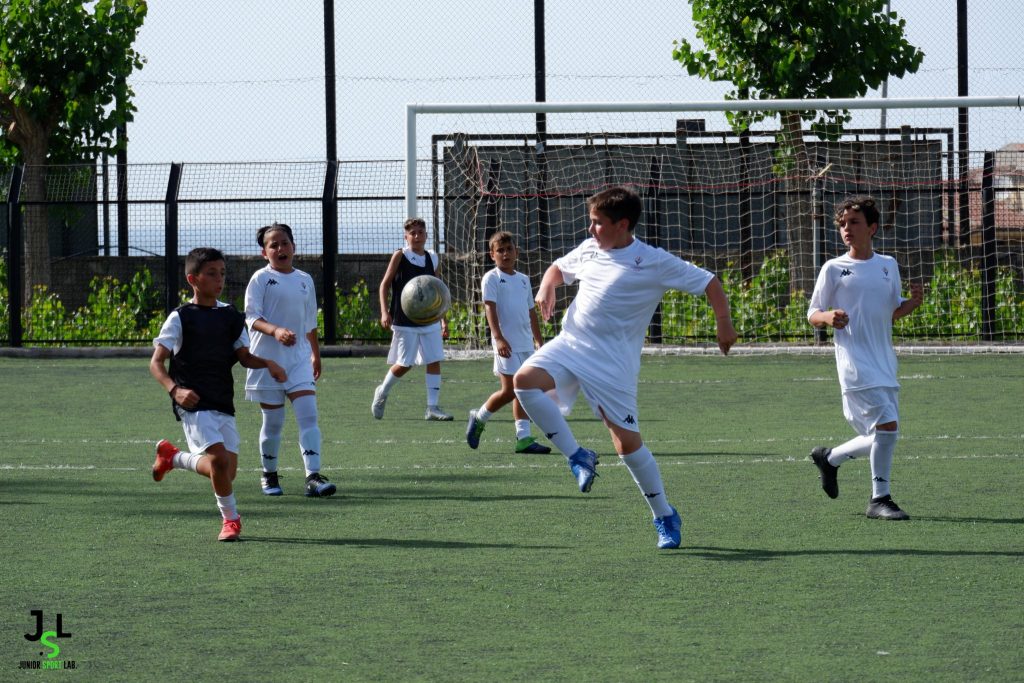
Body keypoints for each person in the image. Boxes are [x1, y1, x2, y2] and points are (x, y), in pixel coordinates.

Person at [513, 186, 738, 550]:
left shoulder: (653, 260)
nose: (590, 230)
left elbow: (709, 282)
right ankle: (577, 455)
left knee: (627, 446)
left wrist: (724, 322)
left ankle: (663, 514)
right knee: (524, 382)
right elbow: (558, 268)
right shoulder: (591, 249)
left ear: (622, 225)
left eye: (597, 223)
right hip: (570, 345)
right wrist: (547, 287)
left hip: (611, 364)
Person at [149, 247, 287, 542]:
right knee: (220, 463)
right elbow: (156, 362)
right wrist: (175, 391)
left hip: (223, 401)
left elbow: (245, 356)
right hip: (193, 403)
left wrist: (268, 363)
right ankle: (231, 520)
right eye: (211, 273)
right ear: (193, 279)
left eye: (222, 273)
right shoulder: (180, 317)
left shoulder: (230, 316)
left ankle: (172, 457)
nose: (219, 279)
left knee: (225, 471)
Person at [807, 195, 923, 520]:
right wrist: (828, 317)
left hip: (885, 361)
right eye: (842, 224)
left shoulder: (888, 265)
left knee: (883, 434)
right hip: (854, 364)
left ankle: (830, 459)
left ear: (872, 228)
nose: (846, 228)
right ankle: (879, 498)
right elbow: (812, 313)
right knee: (886, 428)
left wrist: (911, 304)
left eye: (854, 222)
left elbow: (889, 313)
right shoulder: (833, 268)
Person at [244, 223, 336, 498]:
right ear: (264, 252)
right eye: (274, 245)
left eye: (285, 243)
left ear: (293, 246)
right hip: (267, 361)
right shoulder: (260, 279)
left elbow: (310, 322)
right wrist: (276, 330)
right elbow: (251, 317)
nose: (280, 249)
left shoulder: (305, 279)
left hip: (298, 361)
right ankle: (269, 474)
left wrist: (315, 354)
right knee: (273, 422)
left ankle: (313, 477)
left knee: (308, 415)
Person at [465, 231, 551, 455]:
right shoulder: (491, 278)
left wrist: (539, 341)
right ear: (492, 255)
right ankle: (479, 417)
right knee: (510, 390)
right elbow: (489, 308)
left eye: (509, 249)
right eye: (500, 250)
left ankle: (523, 439)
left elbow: (531, 312)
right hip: (505, 344)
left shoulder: (523, 280)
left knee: (524, 389)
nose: (505, 254)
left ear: (517, 252)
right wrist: (498, 337)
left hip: (525, 345)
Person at [371, 217, 453, 421]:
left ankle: (432, 408)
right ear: (406, 236)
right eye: (412, 233)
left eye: (420, 232)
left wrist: (443, 319)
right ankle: (382, 392)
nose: (417, 236)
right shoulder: (400, 255)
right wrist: (384, 312)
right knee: (405, 363)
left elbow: (437, 291)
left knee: (434, 359)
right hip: (405, 319)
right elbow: (384, 285)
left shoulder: (432, 258)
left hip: (429, 319)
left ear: (426, 235)